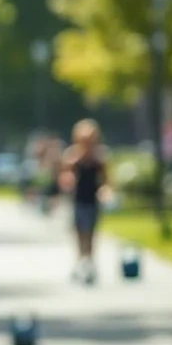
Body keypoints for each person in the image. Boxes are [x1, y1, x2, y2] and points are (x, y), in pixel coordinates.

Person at [59, 118, 109, 285]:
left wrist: (105, 191)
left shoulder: (99, 158)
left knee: (92, 233)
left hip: (92, 200)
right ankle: (80, 262)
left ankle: (90, 262)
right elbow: (65, 177)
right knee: (79, 232)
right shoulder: (72, 157)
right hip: (78, 200)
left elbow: (105, 180)